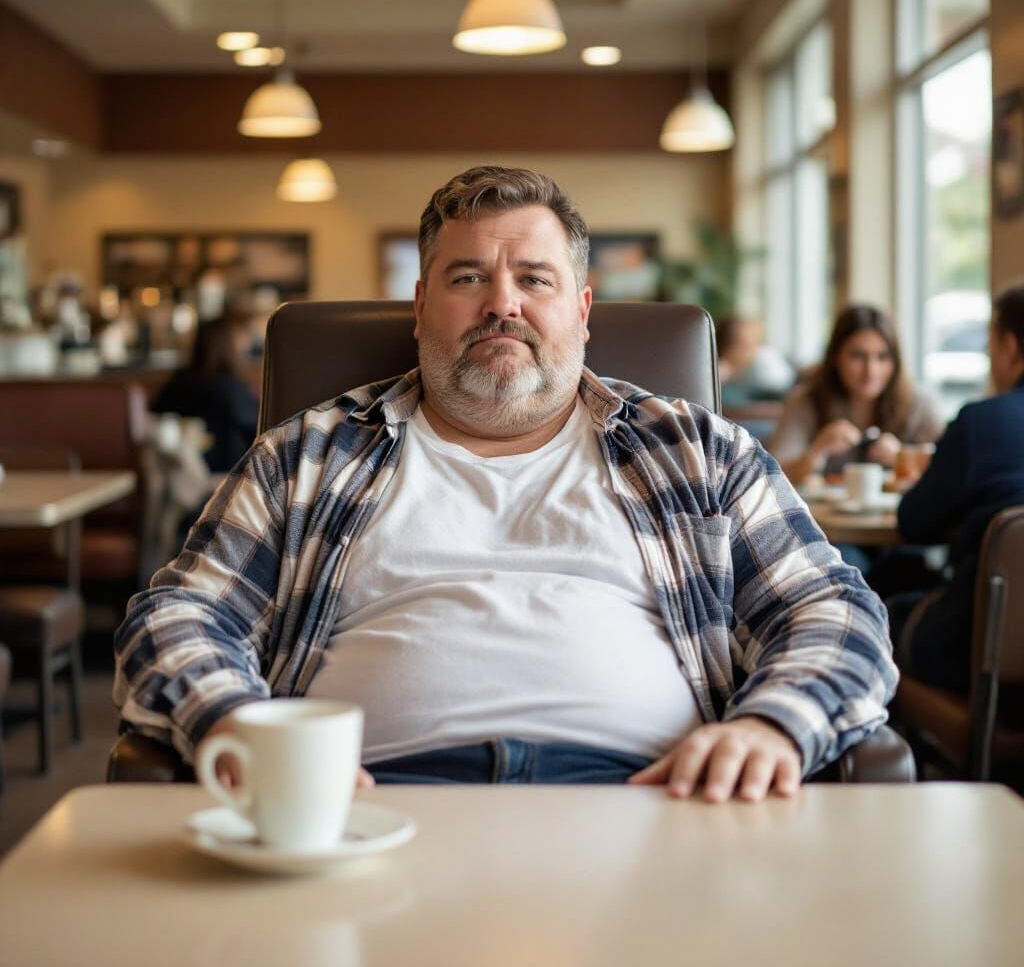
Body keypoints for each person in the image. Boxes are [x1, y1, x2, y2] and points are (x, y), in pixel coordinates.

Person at [114, 166, 896, 803]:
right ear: (421, 307)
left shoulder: (696, 451)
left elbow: (831, 608)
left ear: (582, 311)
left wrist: (773, 725)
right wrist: (232, 719)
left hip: (649, 799)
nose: (502, 304)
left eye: (535, 278)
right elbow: (178, 615)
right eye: (467, 278)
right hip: (374, 804)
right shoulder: (306, 457)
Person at [887, 285, 1024, 693]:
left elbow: (913, 522)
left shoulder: (982, 422)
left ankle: (877, 755)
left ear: (1011, 347)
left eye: (990, 345)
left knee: (874, 614)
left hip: (972, 653)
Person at [768, 306, 944, 486]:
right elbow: (770, 478)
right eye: (858, 356)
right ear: (835, 357)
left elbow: (950, 470)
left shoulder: (919, 402)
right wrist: (815, 453)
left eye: (882, 357)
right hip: (819, 514)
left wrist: (902, 458)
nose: (871, 371)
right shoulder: (805, 401)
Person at [152, 313, 260, 473]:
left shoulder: (180, 378)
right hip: (226, 472)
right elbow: (259, 429)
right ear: (227, 344)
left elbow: (154, 414)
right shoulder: (229, 387)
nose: (244, 343)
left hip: (180, 470)